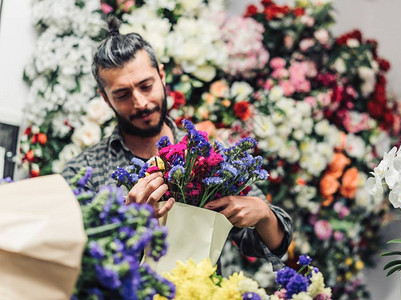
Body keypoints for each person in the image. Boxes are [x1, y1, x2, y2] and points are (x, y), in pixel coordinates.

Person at [62, 16, 292, 272]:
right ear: (105, 99)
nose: (140, 102)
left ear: (161, 76)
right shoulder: (83, 173)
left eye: (146, 85)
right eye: (122, 94)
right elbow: (76, 266)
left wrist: (263, 214)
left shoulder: (208, 153)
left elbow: (273, 244)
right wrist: (128, 226)